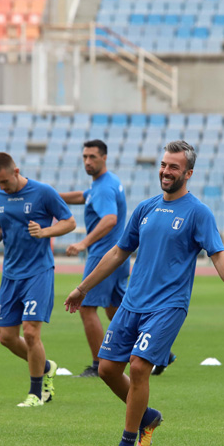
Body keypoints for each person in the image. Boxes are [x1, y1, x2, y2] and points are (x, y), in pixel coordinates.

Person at [64, 140, 224, 446]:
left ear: (188, 173)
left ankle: (126, 445)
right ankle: (148, 416)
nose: (166, 171)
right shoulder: (146, 208)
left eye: (174, 167)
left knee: (139, 366)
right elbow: (118, 252)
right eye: (164, 165)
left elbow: (218, 255)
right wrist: (83, 288)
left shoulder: (198, 212)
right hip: (132, 302)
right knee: (107, 369)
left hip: (168, 306)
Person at [0, 152, 76, 407]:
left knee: (31, 332)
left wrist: (45, 231)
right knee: (6, 337)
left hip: (38, 271)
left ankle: (36, 394)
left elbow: (70, 222)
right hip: (10, 273)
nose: (2, 187)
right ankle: (46, 366)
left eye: (5, 182)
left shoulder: (43, 192)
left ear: (16, 171)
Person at [59, 140, 131, 378]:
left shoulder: (104, 188)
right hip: (119, 255)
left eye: (92, 157)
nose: (87, 161)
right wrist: (51, 196)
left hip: (103, 255)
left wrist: (83, 243)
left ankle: (99, 365)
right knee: (116, 311)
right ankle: (158, 353)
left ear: (104, 158)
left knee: (86, 308)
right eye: (85, 157)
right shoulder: (107, 182)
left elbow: (110, 218)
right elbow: (83, 196)